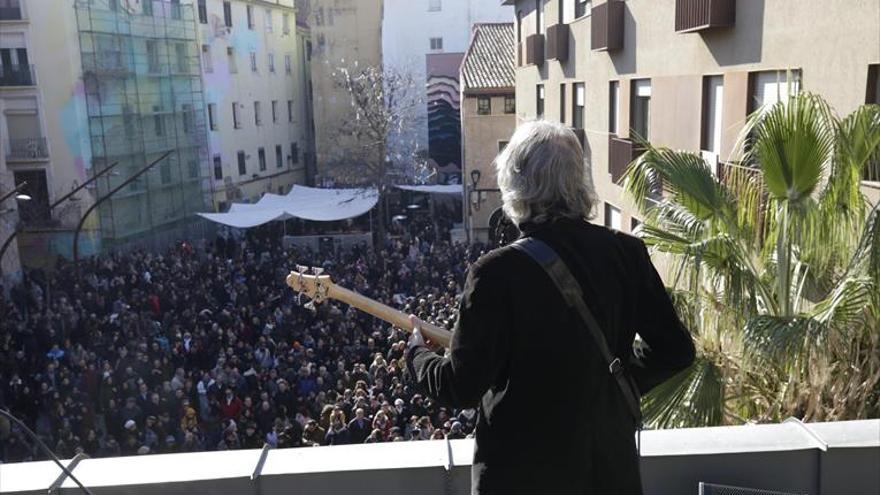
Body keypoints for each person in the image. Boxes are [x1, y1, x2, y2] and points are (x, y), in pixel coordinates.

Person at [407, 121, 696, 495]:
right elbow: (676, 351)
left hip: (521, 477)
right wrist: (613, 378)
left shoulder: (495, 273)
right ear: (578, 179)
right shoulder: (627, 253)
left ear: (515, 184)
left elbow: (460, 387)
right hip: (607, 473)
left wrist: (416, 354)